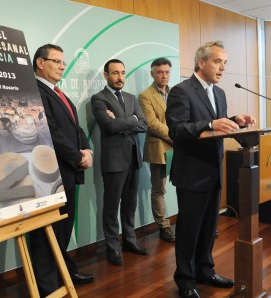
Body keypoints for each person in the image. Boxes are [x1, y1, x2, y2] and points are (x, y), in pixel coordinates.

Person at [165, 41, 256, 298]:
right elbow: (178, 130)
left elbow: (216, 128)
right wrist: (210, 122)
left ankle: (205, 270)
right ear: (201, 62)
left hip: (214, 170)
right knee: (189, 230)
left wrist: (236, 120)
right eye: (218, 62)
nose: (223, 68)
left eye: (225, 63)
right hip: (192, 174)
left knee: (209, 228)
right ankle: (185, 279)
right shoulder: (181, 91)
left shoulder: (219, 93)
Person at [29, 43, 95, 296]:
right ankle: (48, 286)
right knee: (46, 234)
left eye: (63, 62)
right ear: (40, 63)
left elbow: (75, 127)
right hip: (50, 176)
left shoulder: (59, 93)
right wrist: (76, 157)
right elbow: (50, 131)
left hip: (68, 172)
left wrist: (86, 149)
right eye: (56, 61)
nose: (62, 66)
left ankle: (63, 271)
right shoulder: (35, 92)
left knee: (64, 228)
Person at [91, 59, 148, 266]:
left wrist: (125, 121)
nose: (120, 77)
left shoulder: (132, 98)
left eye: (123, 73)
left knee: (130, 204)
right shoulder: (98, 99)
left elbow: (144, 124)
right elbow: (108, 126)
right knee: (111, 206)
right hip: (114, 161)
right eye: (115, 73)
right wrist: (131, 120)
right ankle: (113, 247)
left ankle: (130, 241)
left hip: (133, 157)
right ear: (106, 75)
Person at [138, 58, 175, 242]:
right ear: (152, 74)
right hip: (160, 147)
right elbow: (152, 124)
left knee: (185, 185)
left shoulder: (175, 92)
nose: (164, 75)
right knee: (159, 190)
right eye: (160, 72)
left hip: (179, 148)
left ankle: (187, 222)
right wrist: (177, 135)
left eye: (167, 72)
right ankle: (163, 226)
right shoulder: (145, 95)